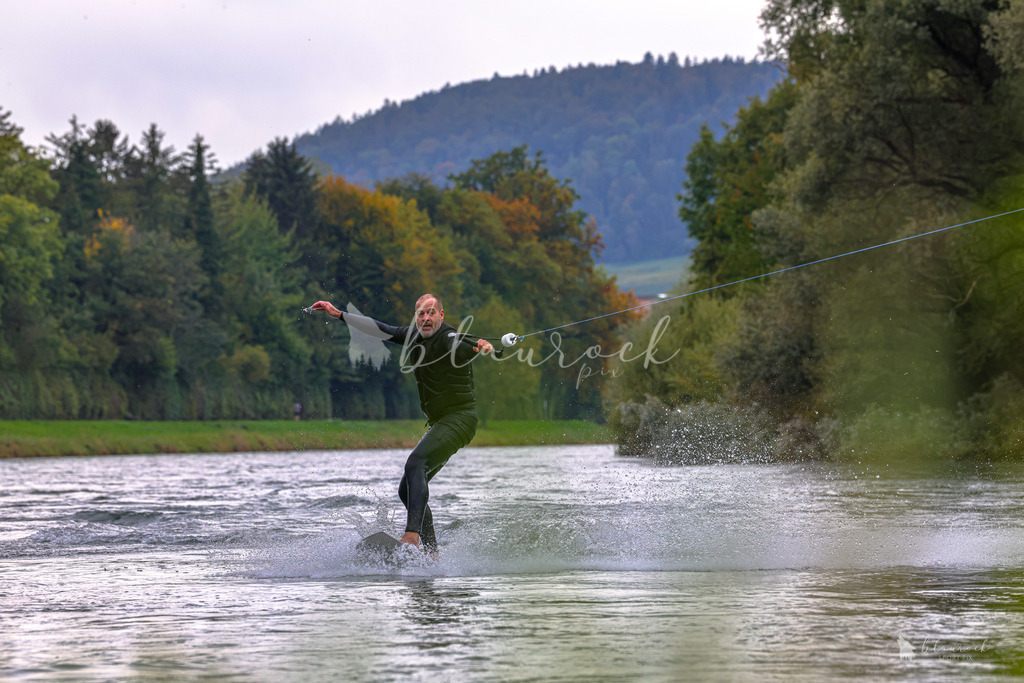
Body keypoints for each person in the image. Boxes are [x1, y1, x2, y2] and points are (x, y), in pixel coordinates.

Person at [310, 294, 493, 553]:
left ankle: (412, 537)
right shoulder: (413, 335)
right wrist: (340, 314)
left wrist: (479, 347)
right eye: (421, 314)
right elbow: (378, 328)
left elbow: (463, 345)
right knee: (406, 489)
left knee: (415, 464)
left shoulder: (450, 338)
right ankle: (431, 555)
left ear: (442, 315)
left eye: (431, 313)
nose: (426, 318)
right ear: (416, 316)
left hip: (460, 419)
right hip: (441, 422)